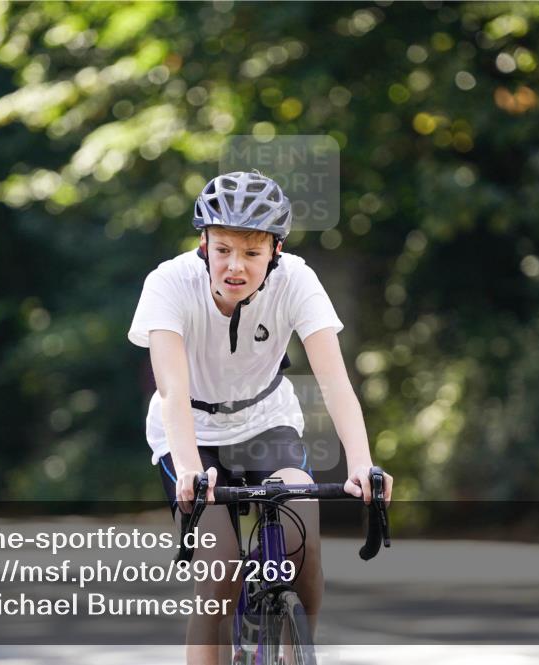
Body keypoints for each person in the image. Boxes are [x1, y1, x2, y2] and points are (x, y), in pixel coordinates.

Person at [128, 171, 393, 665]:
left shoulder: (297, 280)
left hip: (266, 420)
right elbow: (172, 388)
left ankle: (294, 651)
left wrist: (362, 463)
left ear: (275, 250)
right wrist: (189, 468)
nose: (235, 266)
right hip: (188, 429)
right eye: (224, 248)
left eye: (252, 253)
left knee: (302, 546)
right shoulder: (168, 283)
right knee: (220, 571)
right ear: (203, 243)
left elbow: (335, 381)